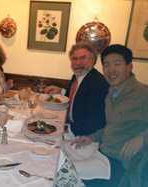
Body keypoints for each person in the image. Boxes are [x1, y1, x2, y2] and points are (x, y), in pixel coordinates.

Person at [72, 44, 148, 187]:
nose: (111, 70)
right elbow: (112, 127)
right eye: (106, 65)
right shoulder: (111, 94)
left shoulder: (143, 94)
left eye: (117, 64)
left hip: (121, 165)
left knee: (66, 171)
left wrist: (142, 138)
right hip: (102, 152)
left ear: (129, 67)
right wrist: (92, 137)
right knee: (60, 156)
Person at [44, 41, 109, 136]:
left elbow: (94, 121)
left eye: (83, 58)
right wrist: (61, 91)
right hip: (72, 124)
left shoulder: (98, 83)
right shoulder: (79, 75)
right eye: (74, 59)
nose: (78, 63)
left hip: (84, 134)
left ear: (93, 59)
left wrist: (66, 129)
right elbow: (77, 97)